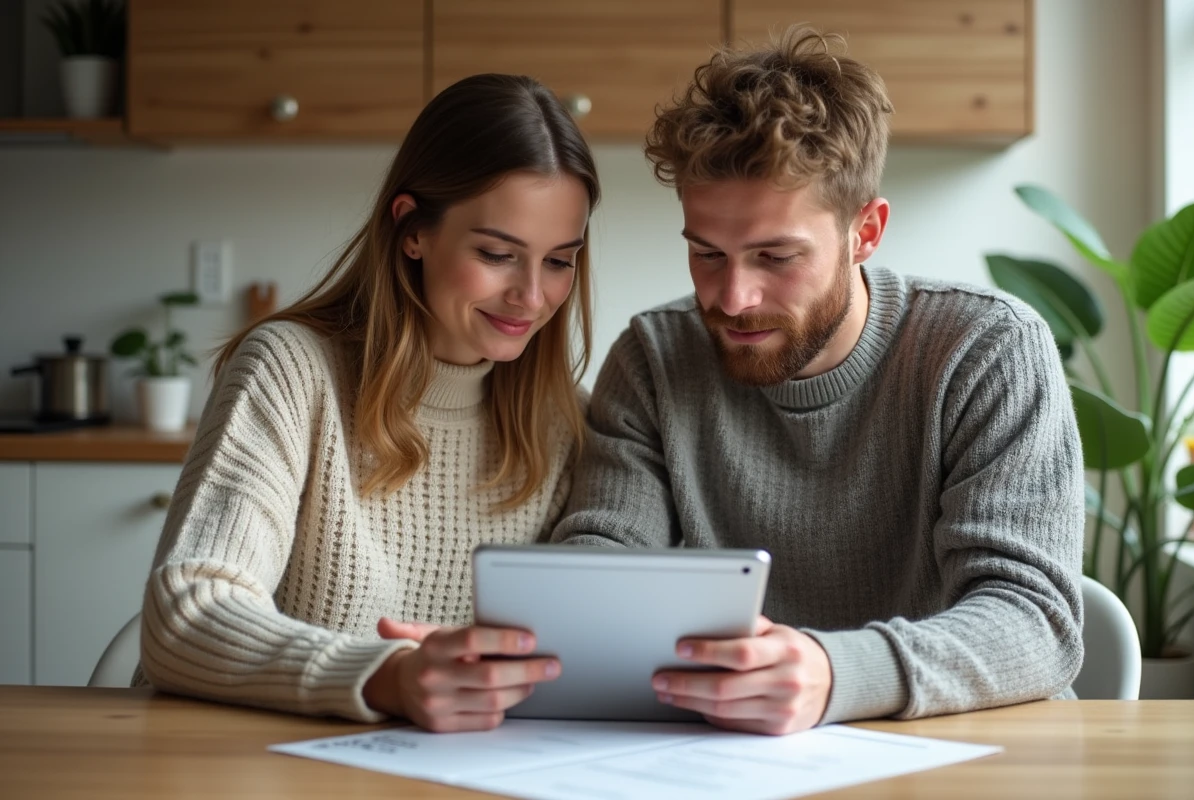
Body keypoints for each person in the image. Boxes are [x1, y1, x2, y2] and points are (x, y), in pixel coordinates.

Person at [551, 27, 1085, 735]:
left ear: (866, 232)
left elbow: (1034, 620)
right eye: (707, 254)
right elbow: (600, 569)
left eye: (776, 257)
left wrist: (836, 673)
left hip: (961, 748)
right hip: (734, 753)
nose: (734, 298)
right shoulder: (655, 359)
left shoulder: (986, 350)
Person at [138, 73, 599, 732]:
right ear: (413, 230)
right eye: (498, 254)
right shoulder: (291, 371)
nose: (532, 296)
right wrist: (387, 678)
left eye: (559, 261)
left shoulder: (563, 424)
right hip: (246, 762)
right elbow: (186, 615)